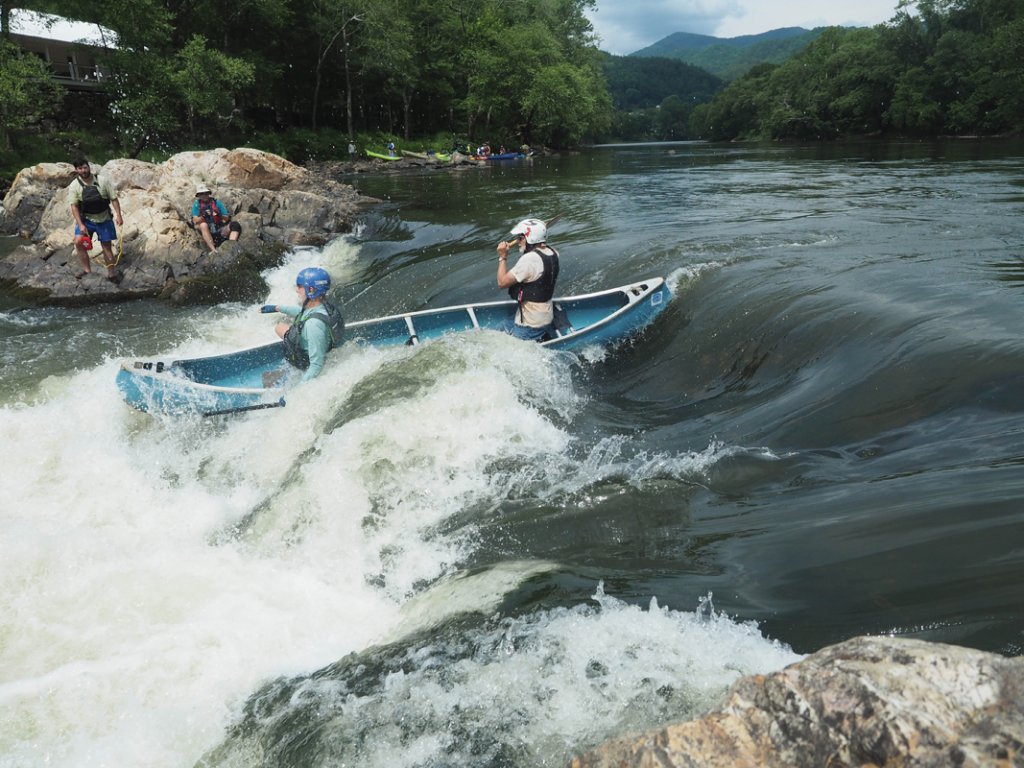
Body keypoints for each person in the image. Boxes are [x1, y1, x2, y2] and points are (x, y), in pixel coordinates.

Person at [259, 267, 345, 381]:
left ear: (312, 290)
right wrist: (277, 308)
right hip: (323, 346)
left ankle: (292, 371)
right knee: (280, 327)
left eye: (299, 286)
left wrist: (298, 390)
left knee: (281, 328)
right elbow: (303, 312)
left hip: (306, 360)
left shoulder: (314, 325)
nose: (297, 290)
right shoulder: (323, 307)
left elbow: (316, 366)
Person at [495, 217, 560, 341]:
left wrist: (503, 256)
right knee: (500, 328)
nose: (518, 241)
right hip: (544, 315)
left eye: (520, 238)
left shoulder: (529, 260)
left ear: (530, 239)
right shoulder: (553, 253)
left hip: (531, 324)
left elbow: (502, 282)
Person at [67, 157, 123, 283]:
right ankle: (87, 270)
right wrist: (81, 225)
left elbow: (113, 198)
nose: (83, 170)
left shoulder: (102, 181)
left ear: (89, 167)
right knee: (78, 242)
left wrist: (119, 215)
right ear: (76, 170)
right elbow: (74, 206)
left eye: (85, 167)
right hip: (86, 220)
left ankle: (111, 273)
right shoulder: (74, 186)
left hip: (104, 219)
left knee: (106, 247)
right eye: (80, 168)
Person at [191, 184, 241, 252]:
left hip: (219, 229)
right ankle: (213, 250)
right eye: (201, 194)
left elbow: (226, 218)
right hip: (208, 232)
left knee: (235, 225)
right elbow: (195, 220)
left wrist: (219, 215)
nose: (204, 195)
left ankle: (231, 246)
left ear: (209, 193)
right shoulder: (196, 205)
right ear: (198, 195)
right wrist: (203, 217)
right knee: (203, 225)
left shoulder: (216, 202)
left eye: (206, 193)